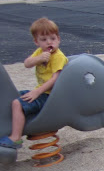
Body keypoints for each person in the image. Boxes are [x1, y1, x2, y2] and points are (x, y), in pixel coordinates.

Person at [0, 18, 68, 150]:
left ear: (58, 39)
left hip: (50, 96)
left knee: (17, 103)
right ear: (36, 42)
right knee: (13, 97)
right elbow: (27, 63)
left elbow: (56, 79)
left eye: (52, 38)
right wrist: (39, 58)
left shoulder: (58, 57)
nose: (49, 42)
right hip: (42, 92)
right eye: (44, 39)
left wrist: (36, 92)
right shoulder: (40, 52)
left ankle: (15, 138)